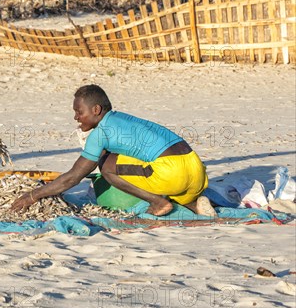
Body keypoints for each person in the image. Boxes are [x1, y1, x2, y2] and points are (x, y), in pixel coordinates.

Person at [11, 84, 216, 217]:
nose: (76, 118)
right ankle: (195, 204)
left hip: (172, 173)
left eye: (78, 112)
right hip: (196, 170)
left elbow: (73, 177)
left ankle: (158, 202)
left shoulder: (101, 132)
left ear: (96, 110)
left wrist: (32, 196)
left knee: (107, 166)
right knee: (135, 162)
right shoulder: (123, 118)